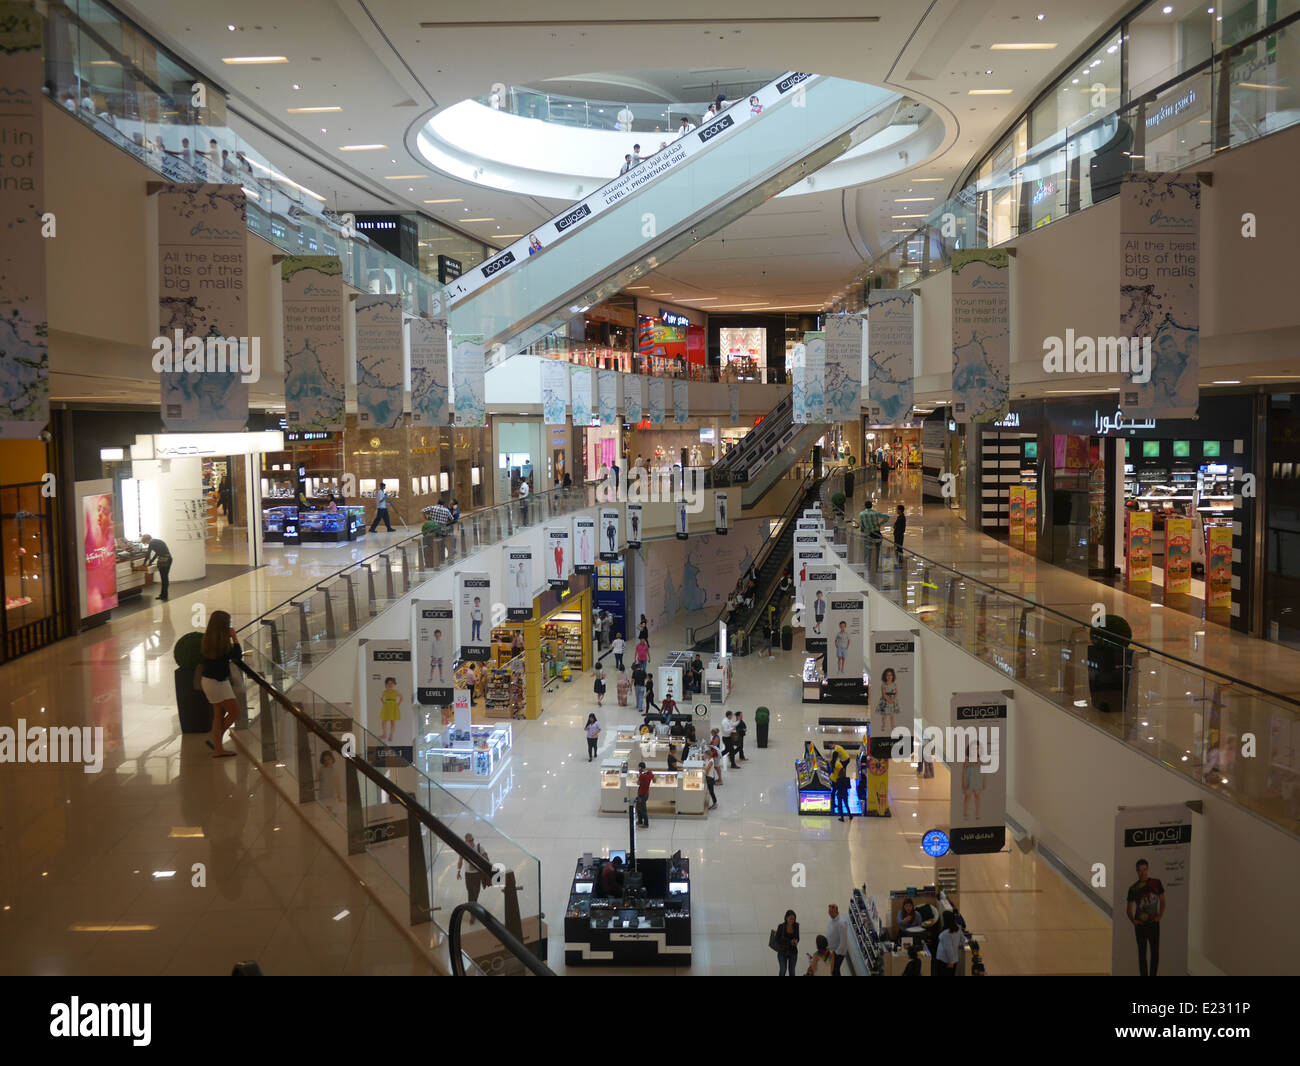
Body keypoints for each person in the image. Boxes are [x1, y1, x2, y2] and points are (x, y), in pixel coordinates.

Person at [199, 610, 243, 757]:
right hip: (218, 683)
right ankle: (216, 743)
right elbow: (237, 656)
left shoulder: (207, 640)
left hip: (208, 681)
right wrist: (234, 638)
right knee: (235, 711)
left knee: (219, 714)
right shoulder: (222, 644)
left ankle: (217, 748)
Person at [1126, 859, 1166, 977]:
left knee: (1155, 953)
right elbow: (1128, 909)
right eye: (1140, 870)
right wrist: (1134, 921)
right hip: (1141, 926)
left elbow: (1163, 901)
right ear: (1137, 871)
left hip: (1154, 924)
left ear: (1147, 869)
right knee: (1142, 954)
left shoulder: (1156, 882)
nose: (1142, 873)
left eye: (1144, 870)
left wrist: (1159, 916)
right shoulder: (1133, 888)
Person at [456, 833, 490, 921]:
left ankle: (473, 906)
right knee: (470, 892)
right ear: (466, 841)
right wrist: (458, 871)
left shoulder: (479, 848)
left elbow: (486, 857)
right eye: (469, 841)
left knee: (476, 891)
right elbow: (460, 861)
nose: (472, 842)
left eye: (472, 840)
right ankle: (473, 912)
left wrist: (485, 857)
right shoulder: (463, 849)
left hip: (477, 873)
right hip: (468, 874)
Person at [140, 534, 173, 601]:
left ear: (147, 539)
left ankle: (163, 595)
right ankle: (164, 595)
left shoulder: (152, 543)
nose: (146, 543)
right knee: (165, 578)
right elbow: (157, 553)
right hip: (168, 559)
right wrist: (150, 562)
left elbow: (148, 554)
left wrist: (144, 563)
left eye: (145, 542)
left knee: (164, 578)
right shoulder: (157, 541)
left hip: (164, 561)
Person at [934, 911, 961, 976]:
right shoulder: (958, 928)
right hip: (953, 959)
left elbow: (948, 948)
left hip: (944, 960)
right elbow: (962, 939)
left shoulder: (946, 934)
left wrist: (951, 961)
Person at [826, 904, 850, 975]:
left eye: (831, 912)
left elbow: (843, 942)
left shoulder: (841, 923)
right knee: (834, 970)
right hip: (831, 950)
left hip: (838, 953)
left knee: (834, 970)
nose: (830, 914)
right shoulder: (831, 918)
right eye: (829, 912)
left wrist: (836, 953)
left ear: (836, 911)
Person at [774, 910, 799, 976]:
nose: (792, 920)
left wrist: (796, 941)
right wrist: (789, 942)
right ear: (786, 918)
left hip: (793, 952)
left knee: (792, 971)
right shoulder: (781, 926)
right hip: (782, 952)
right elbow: (777, 940)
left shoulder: (796, 926)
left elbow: (797, 937)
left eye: (794, 919)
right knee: (783, 970)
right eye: (790, 918)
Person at [378, 676, 402, 742]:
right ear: (386, 684)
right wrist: (384, 704)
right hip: (386, 708)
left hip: (393, 707)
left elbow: (401, 697)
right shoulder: (384, 692)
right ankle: (384, 734)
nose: (390, 685)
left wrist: (397, 705)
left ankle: (391, 735)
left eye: (392, 683)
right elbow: (381, 698)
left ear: (394, 684)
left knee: (392, 722)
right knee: (383, 721)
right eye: (388, 683)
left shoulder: (395, 692)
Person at [635, 761, 652, 827]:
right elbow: (654, 780)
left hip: (641, 794)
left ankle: (645, 823)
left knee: (642, 809)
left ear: (640, 768)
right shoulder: (649, 773)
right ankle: (640, 821)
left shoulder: (642, 775)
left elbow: (638, 783)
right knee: (639, 807)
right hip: (646, 793)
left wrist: (639, 775)